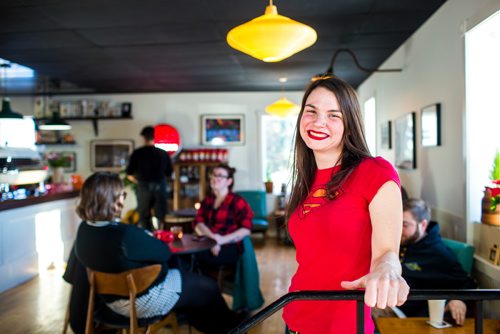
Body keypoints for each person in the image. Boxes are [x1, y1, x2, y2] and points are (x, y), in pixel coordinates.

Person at [282, 75, 409, 333]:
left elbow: (388, 253)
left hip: (344, 326)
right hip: (293, 317)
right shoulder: (306, 180)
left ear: (349, 125)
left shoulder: (374, 172)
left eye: (333, 115)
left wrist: (387, 270)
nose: (319, 121)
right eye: (311, 111)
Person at [64, 172, 242, 334]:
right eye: (122, 194)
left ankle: (211, 326)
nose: (123, 199)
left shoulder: (84, 230)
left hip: (111, 302)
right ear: (110, 199)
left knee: (195, 289)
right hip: (141, 301)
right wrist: (146, 237)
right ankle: (234, 329)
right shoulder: (124, 234)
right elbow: (164, 253)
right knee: (208, 287)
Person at [398, 198, 477, 325]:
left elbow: (467, 284)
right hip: (386, 302)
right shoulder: (401, 243)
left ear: (423, 225)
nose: (398, 229)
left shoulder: (439, 254)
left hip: (407, 317)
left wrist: (459, 300)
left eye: (404, 225)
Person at [193, 163, 253, 272]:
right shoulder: (207, 201)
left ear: (229, 181)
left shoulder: (238, 201)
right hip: (209, 243)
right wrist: (213, 240)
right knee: (188, 256)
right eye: (213, 175)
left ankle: (207, 286)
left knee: (195, 258)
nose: (215, 178)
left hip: (229, 245)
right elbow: (198, 223)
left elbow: (246, 229)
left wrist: (220, 241)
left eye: (220, 175)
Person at [126, 125, 172, 231]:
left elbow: (129, 173)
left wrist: (138, 182)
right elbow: (169, 173)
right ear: (154, 138)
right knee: (161, 216)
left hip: (143, 186)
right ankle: (161, 236)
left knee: (143, 216)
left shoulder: (137, 153)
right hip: (160, 186)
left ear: (143, 138)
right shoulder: (163, 153)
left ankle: (149, 236)